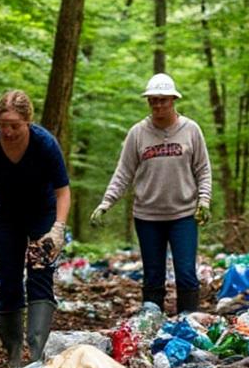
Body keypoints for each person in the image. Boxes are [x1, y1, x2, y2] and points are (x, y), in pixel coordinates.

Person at [91, 73, 213, 315]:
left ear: (173, 100)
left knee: (186, 273)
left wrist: (204, 200)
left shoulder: (191, 130)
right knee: (153, 275)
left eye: (162, 100)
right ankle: (152, 323)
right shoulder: (138, 133)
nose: (157, 105)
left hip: (183, 214)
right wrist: (106, 202)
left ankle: (188, 322)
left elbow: (203, 170)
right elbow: (123, 172)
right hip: (147, 216)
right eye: (153, 100)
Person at [0, 90, 71, 368]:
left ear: (28, 121)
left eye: (15, 125)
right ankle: (13, 354)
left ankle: (35, 353)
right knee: (9, 279)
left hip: (42, 213)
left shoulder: (45, 144)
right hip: (4, 215)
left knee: (40, 274)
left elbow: (63, 191)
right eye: (4, 125)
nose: (9, 132)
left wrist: (58, 228)